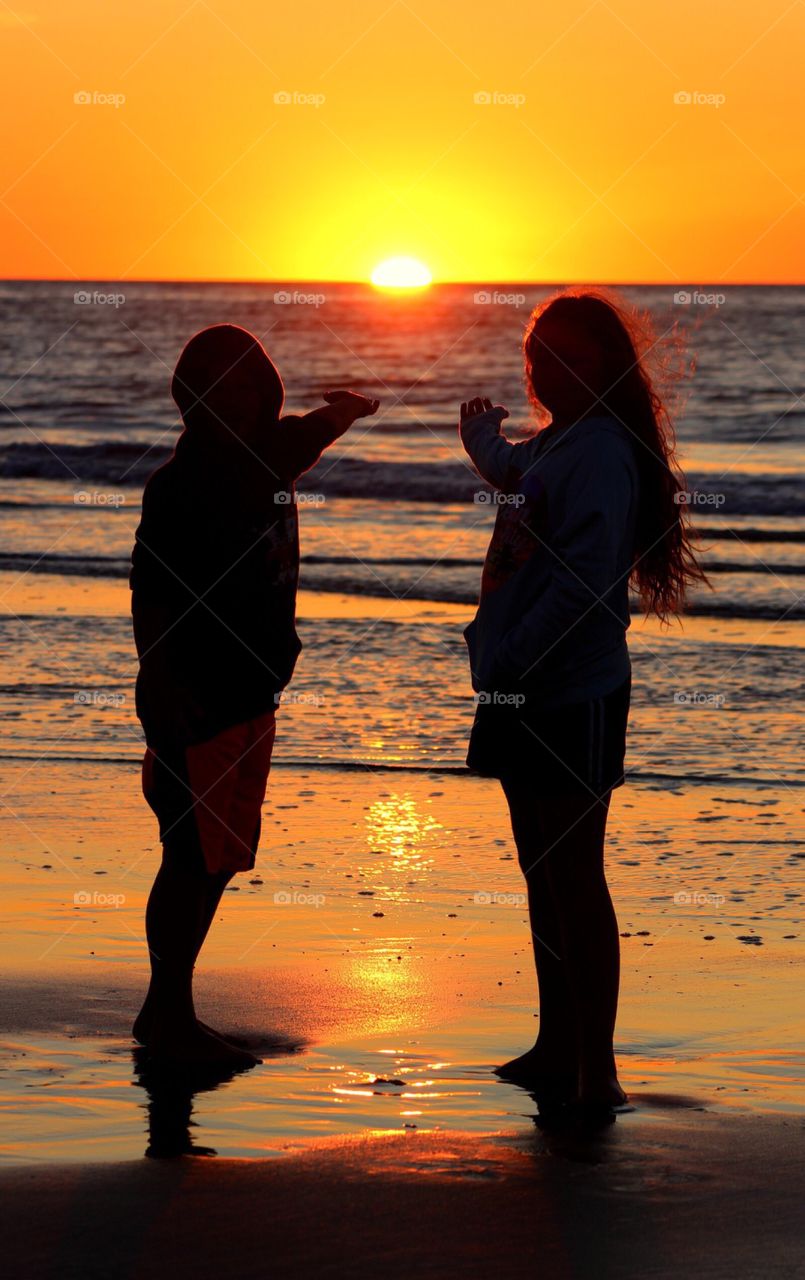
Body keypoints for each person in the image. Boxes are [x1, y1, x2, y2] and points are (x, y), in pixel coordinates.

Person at [459, 291, 706, 1115]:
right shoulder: (562, 442)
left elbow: (582, 583)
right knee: (540, 872)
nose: (547, 371)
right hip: (518, 681)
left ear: (604, 364)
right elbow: (516, 476)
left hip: (568, 690)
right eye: (537, 357)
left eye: (567, 356)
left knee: (573, 875)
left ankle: (594, 1066)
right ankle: (555, 1043)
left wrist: (514, 661)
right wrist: (481, 441)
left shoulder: (600, 450)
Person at [130, 323, 378, 1066]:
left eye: (248, 387)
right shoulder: (183, 482)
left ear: (266, 394)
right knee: (188, 855)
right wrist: (161, 679)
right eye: (214, 388)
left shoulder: (268, 458)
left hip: (251, 693)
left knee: (218, 856)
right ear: (189, 397)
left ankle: (170, 1008)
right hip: (194, 695)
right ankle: (166, 1011)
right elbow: (151, 590)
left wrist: (345, 412)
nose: (232, 401)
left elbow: (307, 436)